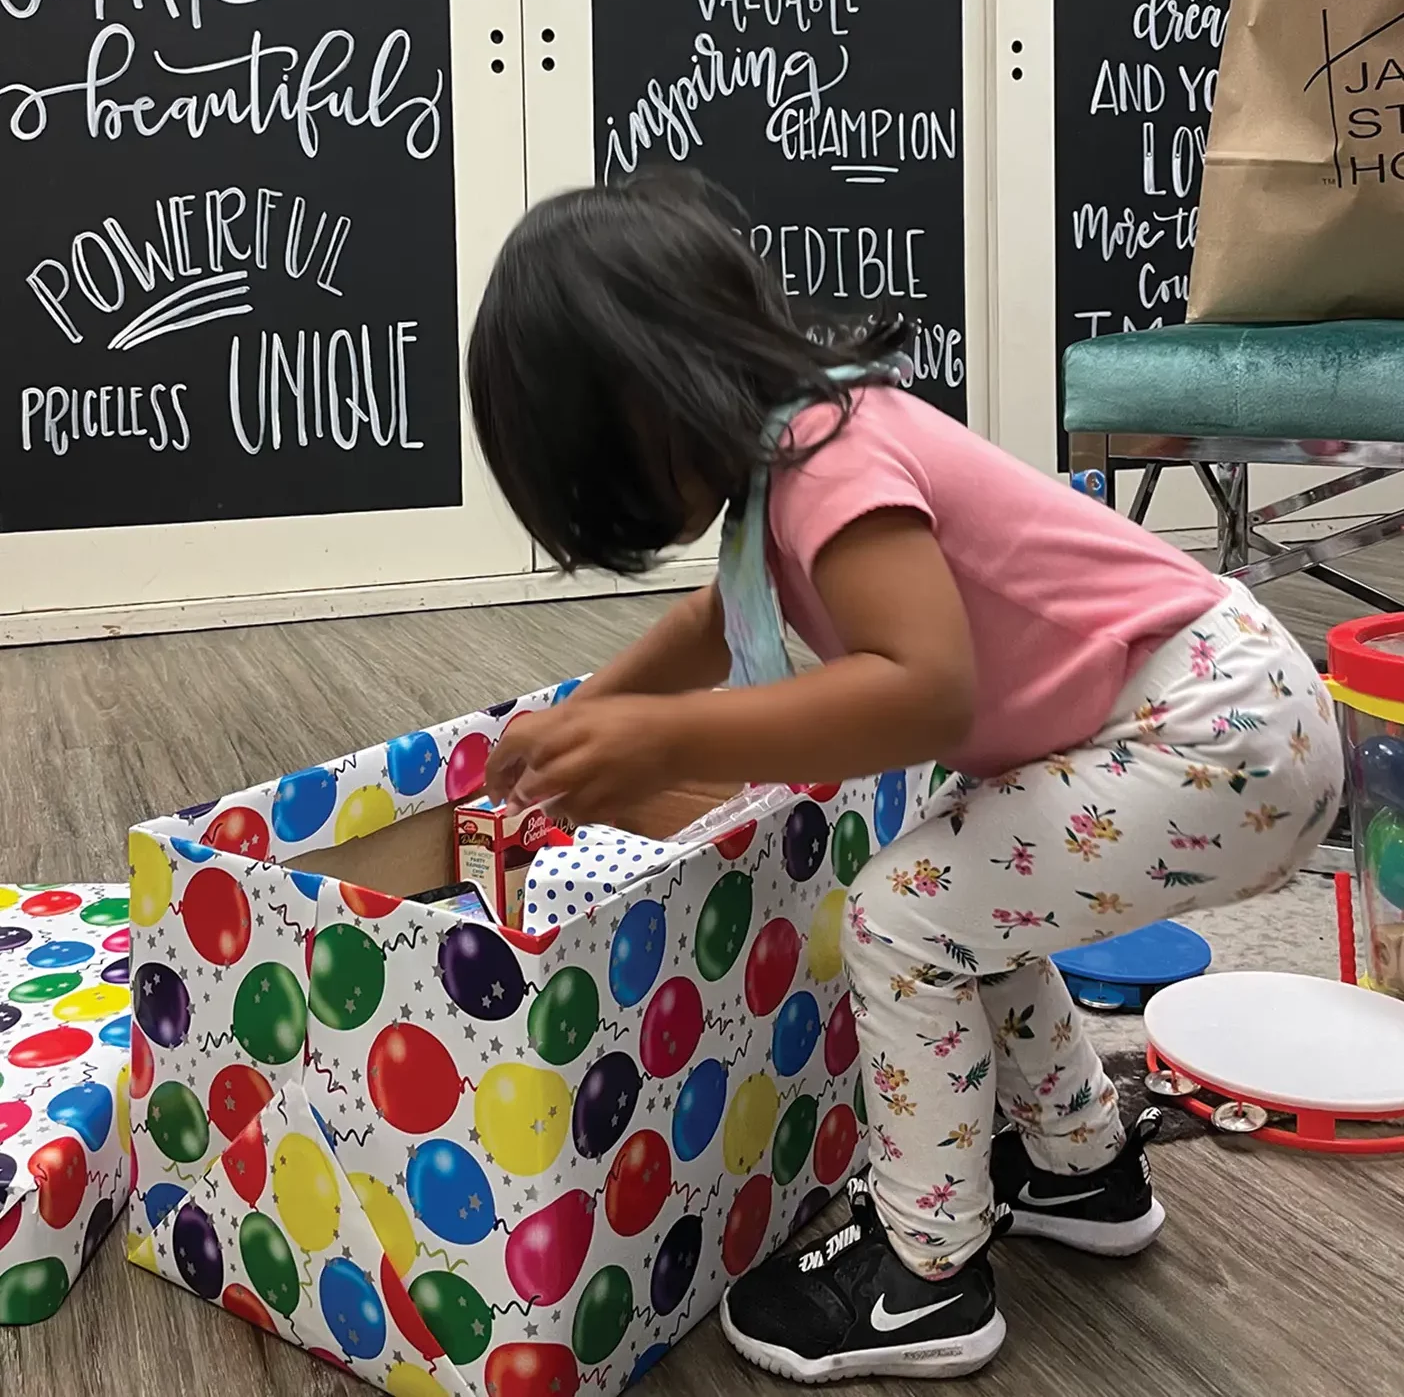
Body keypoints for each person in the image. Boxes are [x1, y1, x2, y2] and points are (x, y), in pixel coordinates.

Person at [470, 173, 1342, 1383]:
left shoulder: (829, 455)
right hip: (1209, 716)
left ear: (660, 385)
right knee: (968, 893)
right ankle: (1077, 1165)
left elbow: (918, 690)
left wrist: (667, 746)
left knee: (901, 919)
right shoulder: (791, 455)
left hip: (1211, 731)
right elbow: (720, 624)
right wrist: (594, 711)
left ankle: (924, 1277)